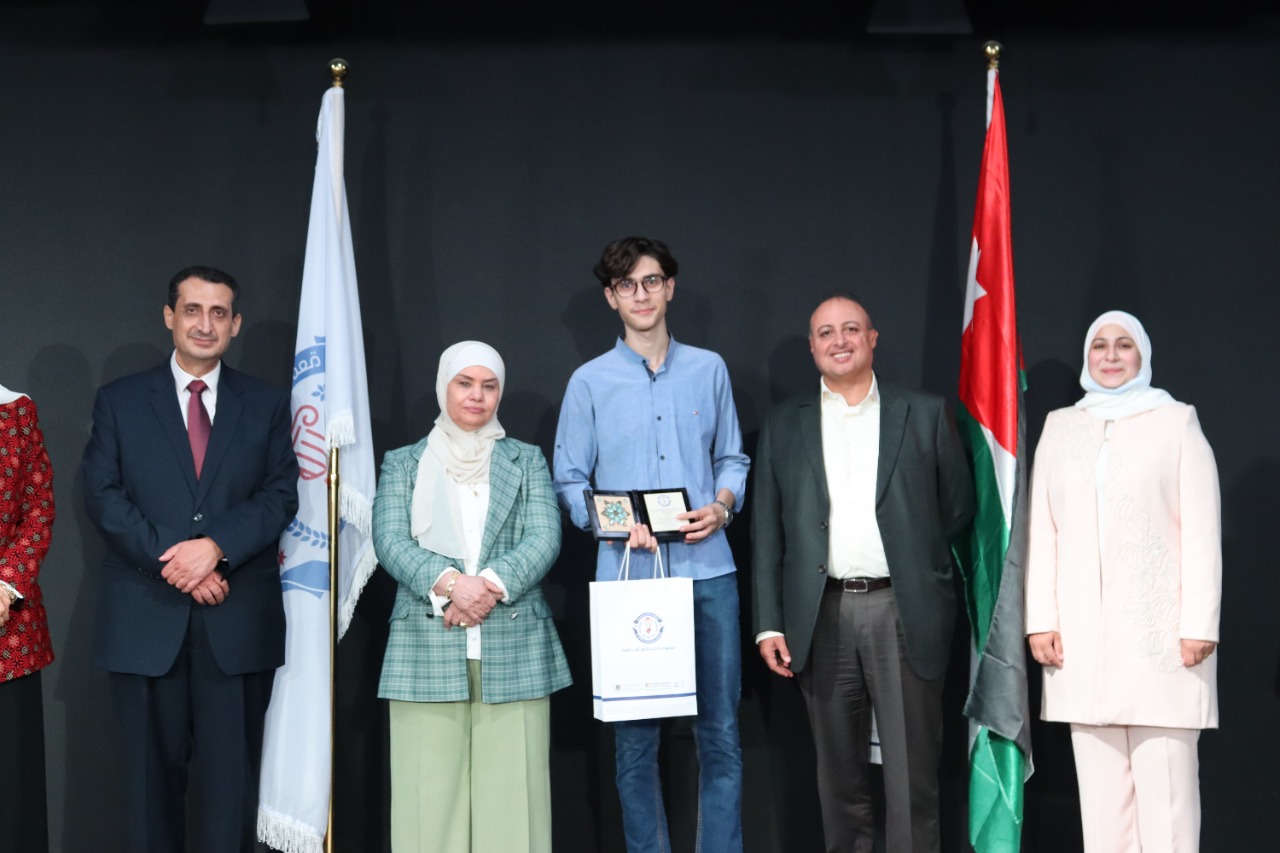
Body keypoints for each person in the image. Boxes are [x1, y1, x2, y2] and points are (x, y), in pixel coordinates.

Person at [81, 266, 299, 852]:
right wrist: (177, 565)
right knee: (149, 794)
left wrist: (215, 549)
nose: (206, 324)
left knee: (232, 797)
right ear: (169, 317)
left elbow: (280, 495)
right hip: (145, 623)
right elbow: (103, 496)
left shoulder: (267, 404)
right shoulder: (120, 400)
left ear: (236, 324)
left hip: (237, 625)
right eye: (193, 310)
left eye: (219, 312)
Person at [751, 294, 974, 853]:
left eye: (851, 329)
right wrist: (769, 622)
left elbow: (957, 508)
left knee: (912, 779)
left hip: (904, 611)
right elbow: (767, 532)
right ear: (812, 347)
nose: (839, 341)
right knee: (838, 780)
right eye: (826, 333)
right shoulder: (784, 423)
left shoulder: (923, 412)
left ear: (872, 339)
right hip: (819, 616)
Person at [553, 237, 750, 853]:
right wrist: (614, 524)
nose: (641, 294)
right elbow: (570, 480)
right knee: (634, 743)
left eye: (651, 281)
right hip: (629, 577)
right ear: (611, 298)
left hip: (708, 573)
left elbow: (733, 457)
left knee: (720, 734)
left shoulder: (709, 369)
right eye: (627, 285)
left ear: (670, 288)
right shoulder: (589, 382)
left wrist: (722, 506)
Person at [1025, 310, 1220, 852]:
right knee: (1102, 812)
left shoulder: (1176, 422)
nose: (1110, 356)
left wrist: (1199, 624)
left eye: (1124, 345)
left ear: (1143, 355)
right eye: (1100, 345)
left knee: (1168, 808)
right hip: (1082, 644)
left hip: (1164, 643)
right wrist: (1041, 620)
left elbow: (1202, 530)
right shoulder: (1061, 427)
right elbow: (1043, 529)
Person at [374, 340, 571, 852]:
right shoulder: (403, 463)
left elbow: (545, 537)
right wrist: (452, 586)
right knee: (427, 809)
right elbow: (389, 540)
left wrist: (486, 588)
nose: (477, 396)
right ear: (445, 386)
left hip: (515, 644)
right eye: (465, 383)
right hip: (424, 645)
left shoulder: (526, 459)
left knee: (514, 810)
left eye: (489, 386)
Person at [0, 383, 56, 851]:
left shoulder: (17, 412)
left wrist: (5, 586)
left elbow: (38, 508)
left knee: (13, 794)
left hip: (9, 637)